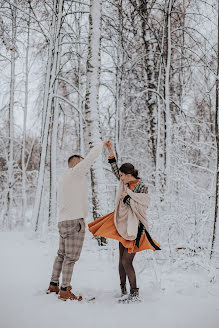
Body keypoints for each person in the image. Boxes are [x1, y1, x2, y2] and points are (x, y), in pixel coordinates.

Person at [88, 140, 161, 303]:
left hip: (136, 228)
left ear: (129, 175)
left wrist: (128, 198)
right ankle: (123, 290)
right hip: (123, 224)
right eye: (120, 176)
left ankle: (135, 294)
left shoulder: (141, 187)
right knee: (121, 260)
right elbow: (115, 170)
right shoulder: (124, 182)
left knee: (127, 261)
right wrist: (110, 150)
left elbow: (144, 205)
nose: (119, 178)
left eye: (122, 175)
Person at [47, 141, 105, 301]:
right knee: (71, 257)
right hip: (74, 222)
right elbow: (89, 159)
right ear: (75, 164)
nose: (84, 167)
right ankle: (65, 290)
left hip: (63, 221)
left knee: (61, 255)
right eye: (81, 163)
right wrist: (101, 145)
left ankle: (54, 285)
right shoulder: (75, 173)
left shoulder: (63, 180)